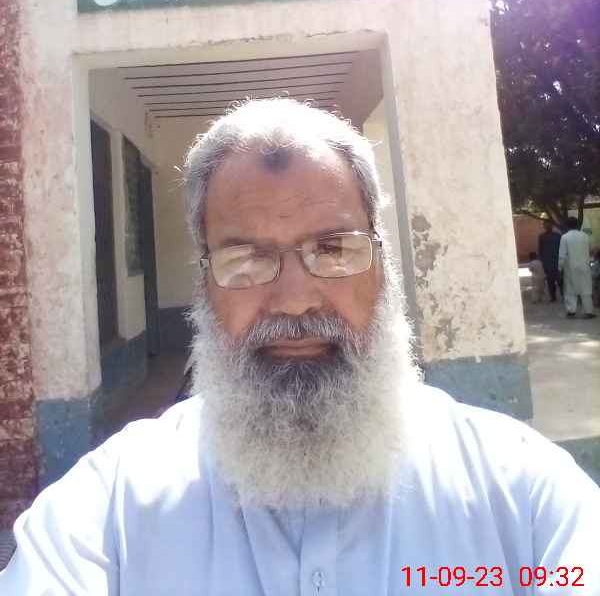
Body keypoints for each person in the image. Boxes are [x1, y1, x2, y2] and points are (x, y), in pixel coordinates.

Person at [2, 99, 599, 595]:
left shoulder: (522, 495)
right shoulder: (109, 511)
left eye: (333, 250)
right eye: (245, 258)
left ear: (383, 270)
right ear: (205, 285)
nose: (293, 301)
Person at [558, 216, 596, 319]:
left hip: (570, 267)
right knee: (586, 289)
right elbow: (591, 250)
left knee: (570, 290)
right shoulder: (585, 236)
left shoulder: (565, 237)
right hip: (584, 267)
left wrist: (560, 268)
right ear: (577, 225)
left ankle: (571, 312)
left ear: (567, 226)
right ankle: (589, 312)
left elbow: (562, 255)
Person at [538, 219, 561, 302]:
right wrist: (542, 260)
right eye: (545, 224)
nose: (547, 226)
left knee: (560, 280)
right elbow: (540, 249)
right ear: (543, 226)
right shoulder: (541, 237)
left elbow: (561, 248)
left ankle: (564, 294)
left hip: (558, 261)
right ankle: (553, 297)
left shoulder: (558, 236)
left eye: (549, 224)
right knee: (550, 280)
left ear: (552, 225)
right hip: (547, 262)